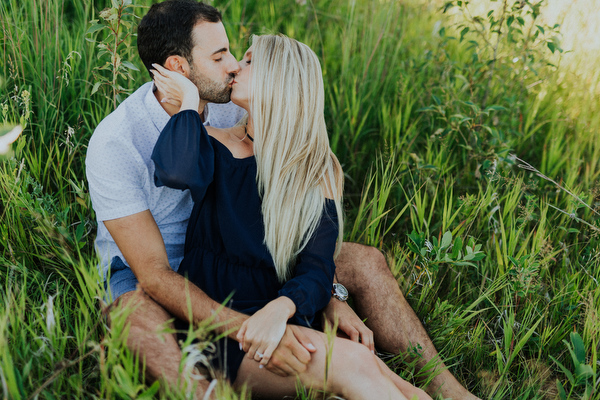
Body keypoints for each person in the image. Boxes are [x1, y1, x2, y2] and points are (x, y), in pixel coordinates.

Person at [85, 1, 480, 399]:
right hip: (154, 267)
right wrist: (255, 326)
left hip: (256, 257)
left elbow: (303, 237)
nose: (234, 65)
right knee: (137, 316)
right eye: (220, 56)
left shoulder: (230, 105)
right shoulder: (118, 142)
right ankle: (205, 391)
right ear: (178, 67)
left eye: (237, 55)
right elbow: (154, 272)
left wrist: (325, 295)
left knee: (365, 263)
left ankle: (448, 389)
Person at [149, 34, 433, 400]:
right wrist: (189, 102)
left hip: (282, 317)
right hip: (219, 328)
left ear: (280, 78)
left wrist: (280, 308)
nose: (236, 67)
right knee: (354, 364)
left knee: (413, 394)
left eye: (250, 62)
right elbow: (174, 171)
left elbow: (316, 269)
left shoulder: (318, 168)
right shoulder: (214, 143)